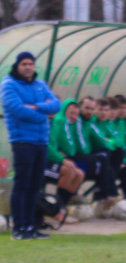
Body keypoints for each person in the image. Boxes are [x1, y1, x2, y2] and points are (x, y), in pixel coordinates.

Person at [2, 51, 60, 240]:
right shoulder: (8, 85)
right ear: (17, 66)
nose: (28, 67)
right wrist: (44, 113)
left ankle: (31, 227)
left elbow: (56, 105)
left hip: (41, 142)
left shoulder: (40, 85)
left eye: (31, 64)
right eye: (24, 64)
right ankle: (18, 228)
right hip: (22, 142)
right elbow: (18, 111)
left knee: (35, 186)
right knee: (22, 185)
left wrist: (36, 107)